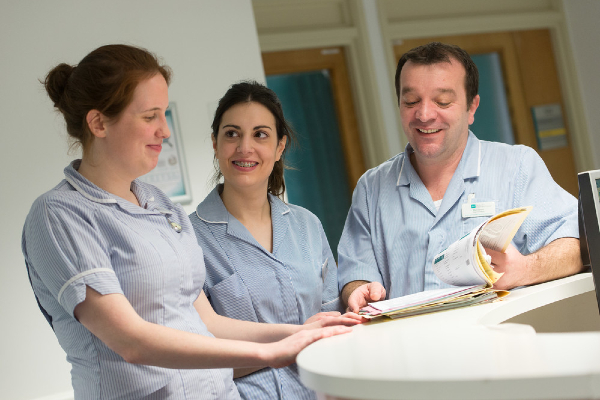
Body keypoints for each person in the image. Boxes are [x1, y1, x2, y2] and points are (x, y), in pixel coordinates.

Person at [21, 44, 359, 399]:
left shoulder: (162, 206)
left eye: (164, 114)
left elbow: (207, 323)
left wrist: (297, 333)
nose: (165, 131)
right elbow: (130, 341)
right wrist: (269, 353)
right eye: (150, 116)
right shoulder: (60, 214)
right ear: (99, 122)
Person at [338, 42, 583, 312]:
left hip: (499, 348)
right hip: (411, 351)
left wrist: (524, 269)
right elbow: (355, 273)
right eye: (411, 101)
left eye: (442, 101)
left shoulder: (517, 166)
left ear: (472, 107)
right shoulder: (371, 188)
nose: (424, 114)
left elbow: (574, 247)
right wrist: (358, 289)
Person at [188, 81, 349, 400]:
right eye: (232, 134)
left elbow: (334, 327)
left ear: (279, 147)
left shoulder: (306, 225)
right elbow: (195, 357)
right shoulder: (188, 239)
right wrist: (292, 345)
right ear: (215, 143)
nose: (244, 147)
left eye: (260, 134)